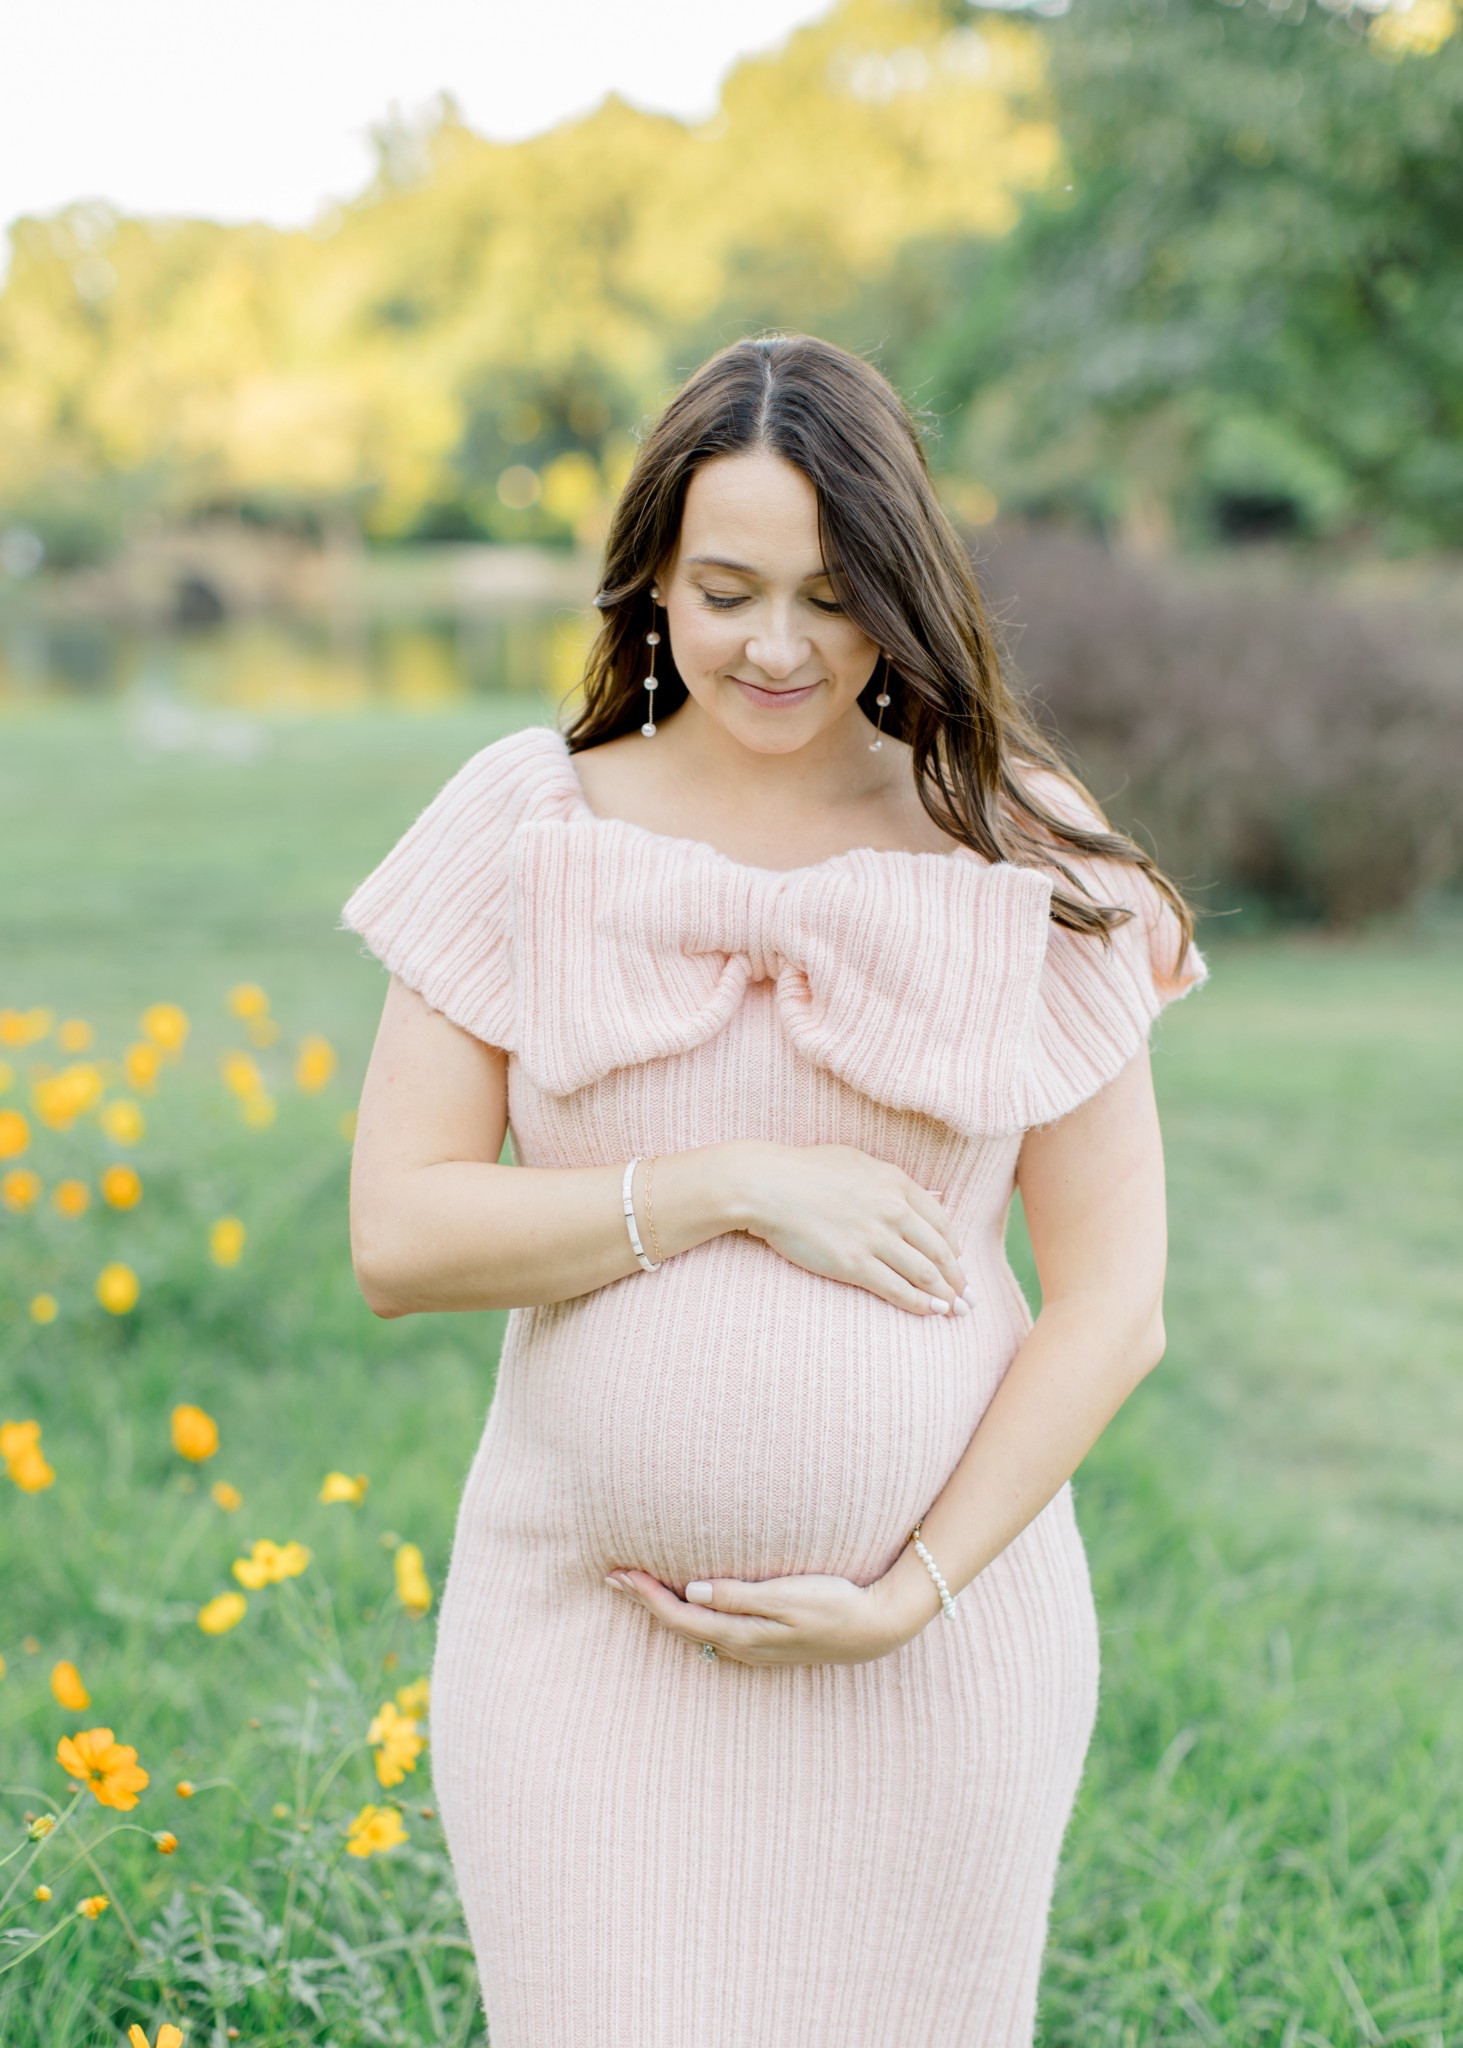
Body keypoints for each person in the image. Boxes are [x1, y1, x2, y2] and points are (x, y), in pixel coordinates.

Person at [338, 332, 1210, 2047]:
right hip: (583, 1653)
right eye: (727, 592)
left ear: (903, 593)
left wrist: (905, 1596)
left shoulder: (1014, 841)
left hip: (941, 1656)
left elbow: (1116, 1307)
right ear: (652, 581)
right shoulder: (528, 820)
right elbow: (399, 1235)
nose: (780, 646)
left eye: (834, 596)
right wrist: (727, 1185)